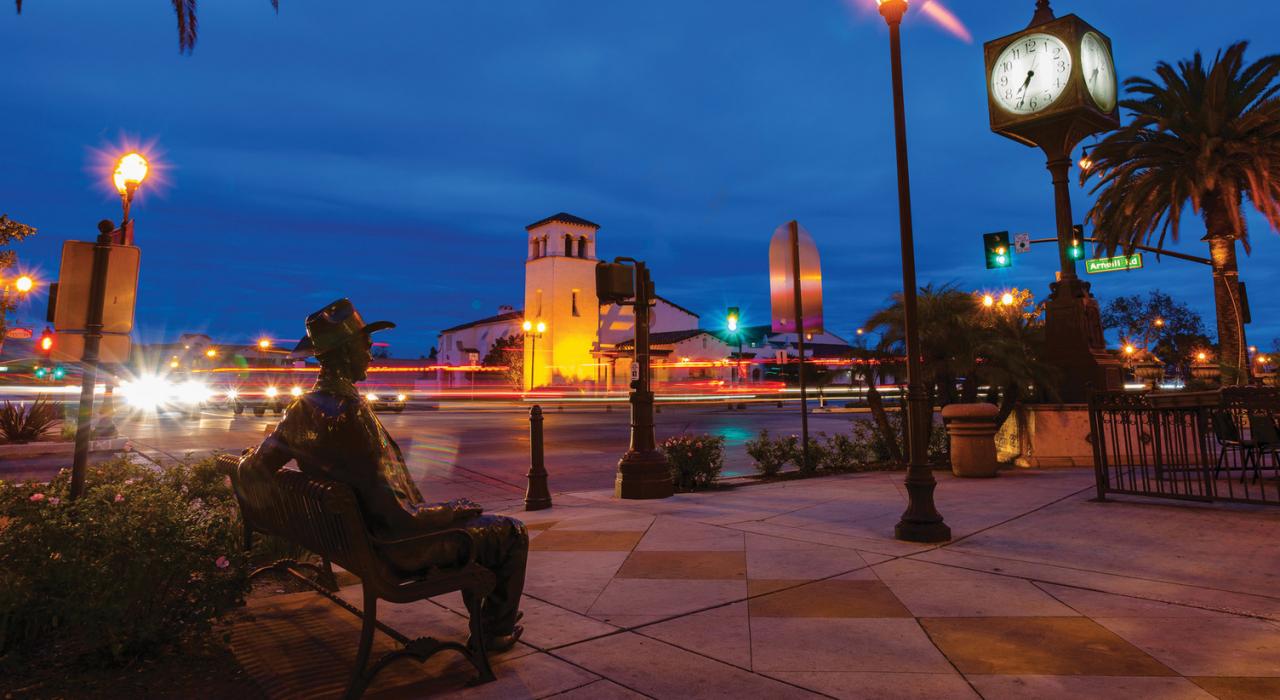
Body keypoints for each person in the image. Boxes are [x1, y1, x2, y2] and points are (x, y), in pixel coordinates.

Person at [239, 298, 527, 650]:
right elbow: (401, 518)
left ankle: (489, 620)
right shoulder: (353, 417)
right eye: (365, 347)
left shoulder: (302, 409)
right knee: (511, 533)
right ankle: (495, 632)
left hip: (356, 541)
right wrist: (454, 510)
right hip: (395, 551)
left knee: (480, 527)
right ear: (345, 353)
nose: (371, 356)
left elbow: (254, 468)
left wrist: (247, 457)